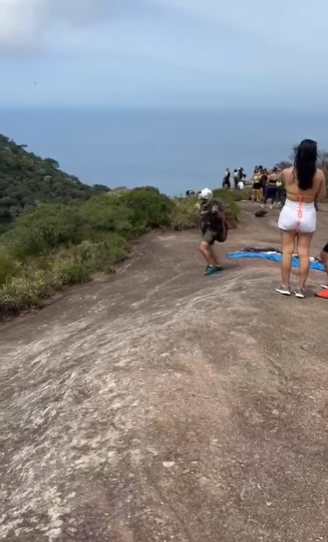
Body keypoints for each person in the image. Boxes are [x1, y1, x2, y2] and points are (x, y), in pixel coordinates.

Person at [276, 139, 326, 298]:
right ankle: (301, 289)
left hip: (289, 210)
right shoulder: (319, 174)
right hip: (308, 212)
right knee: (304, 253)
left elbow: (278, 182)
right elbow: (322, 196)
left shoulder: (288, 172)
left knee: (287, 252)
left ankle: (285, 285)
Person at [197, 188, 227, 275]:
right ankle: (217, 264)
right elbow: (204, 216)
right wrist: (199, 210)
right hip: (208, 229)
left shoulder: (214, 205)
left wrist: (217, 213)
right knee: (209, 247)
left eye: (204, 199)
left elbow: (219, 215)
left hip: (213, 230)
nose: (202, 201)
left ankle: (211, 265)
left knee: (203, 247)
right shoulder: (205, 206)